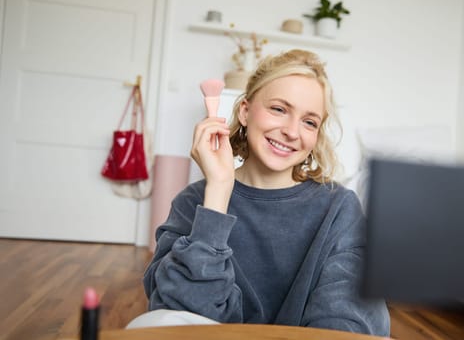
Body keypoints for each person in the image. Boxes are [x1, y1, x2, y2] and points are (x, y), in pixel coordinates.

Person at [143, 49, 390, 336]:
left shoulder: (339, 207)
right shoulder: (194, 201)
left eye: (309, 122)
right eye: (279, 109)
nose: (292, 131)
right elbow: (181, 316)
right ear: (245, 111)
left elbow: (346, 317)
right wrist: (219, 192)